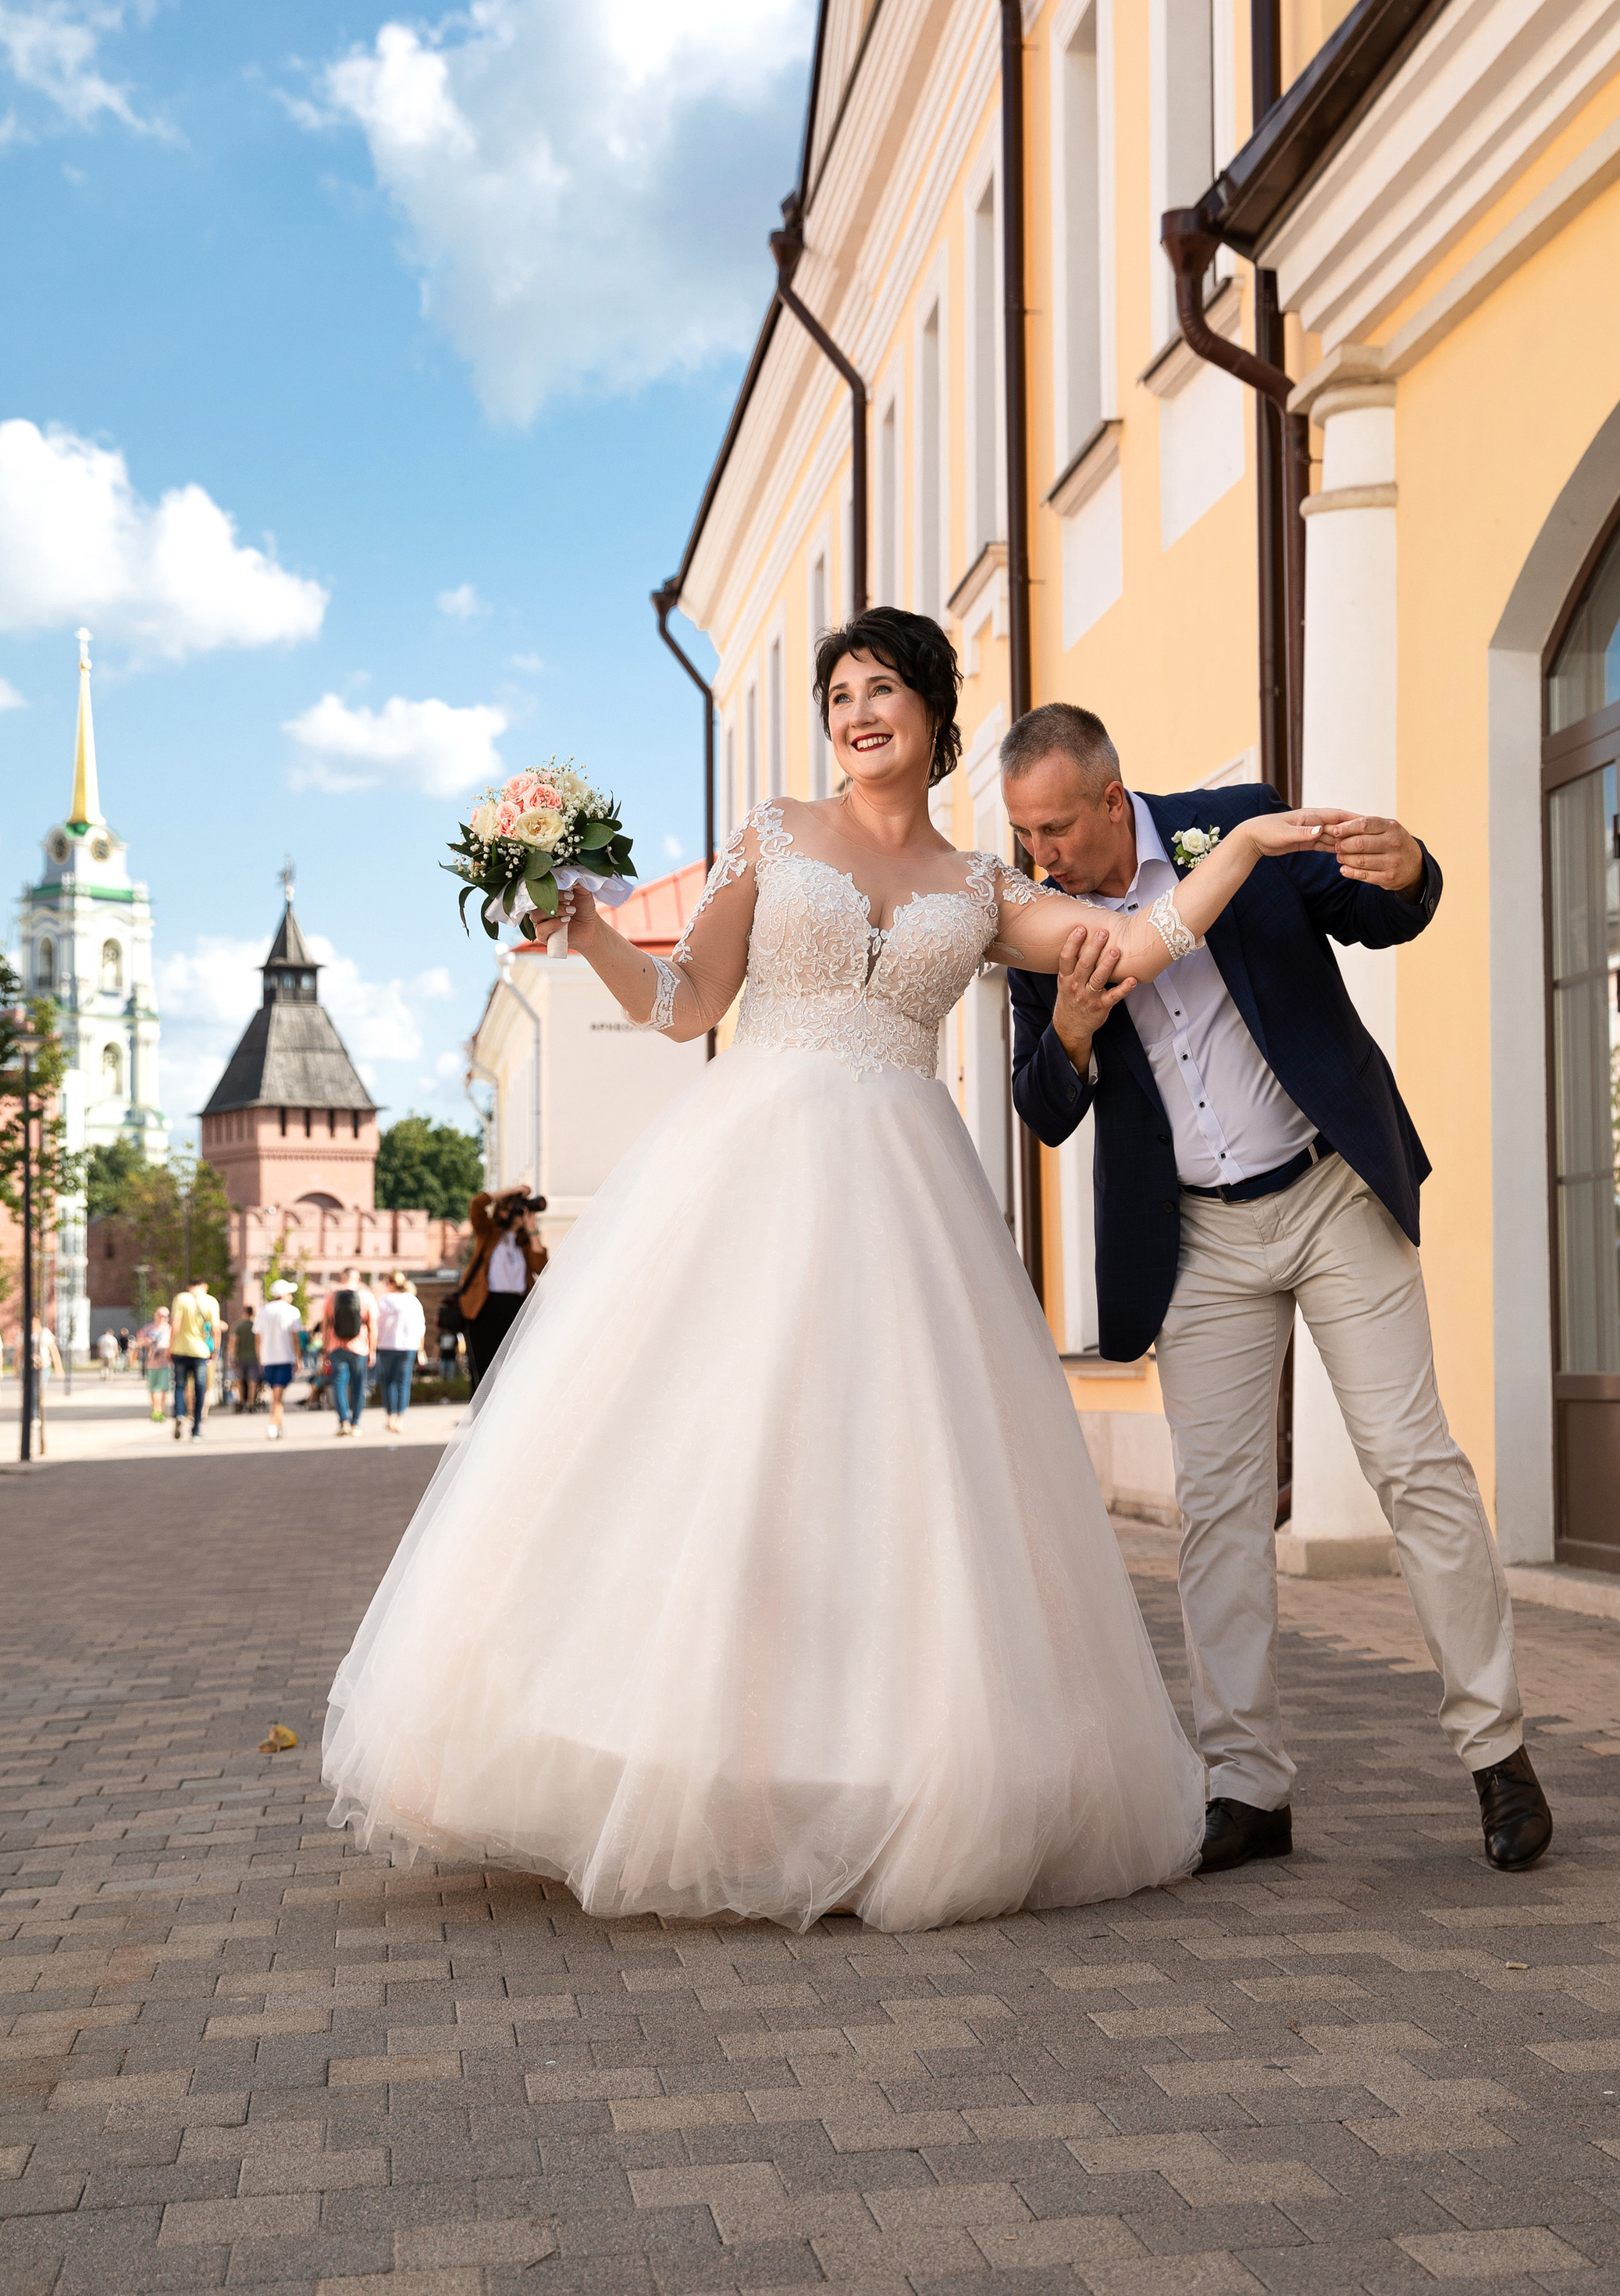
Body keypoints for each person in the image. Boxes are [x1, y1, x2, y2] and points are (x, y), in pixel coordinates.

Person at [323, 605, 1342, 1931]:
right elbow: (690, 1002)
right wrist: (590, 937)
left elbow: (1137, 948)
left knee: (887, 1479)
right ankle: (682, 1760)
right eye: (840, 694)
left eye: (883, 691)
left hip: (906, 1192)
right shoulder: (776, 832)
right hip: (748, 1162)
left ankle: (864, 1770)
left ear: (932, 714)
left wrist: (1252, 844)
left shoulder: (982, 886)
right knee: (713, 1456)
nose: (859, 713)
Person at [1001, 702, 1553, 1877]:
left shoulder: (1235, 830)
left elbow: (1371, 912)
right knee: (1219, 1513)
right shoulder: (1037, 923)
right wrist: (1076, 1033)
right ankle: (1245, 1786)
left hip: (1329, 1193)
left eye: (1053, 828)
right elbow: (1044, 1110)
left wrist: (1415, 870)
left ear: (1112, 800)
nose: (1037, 854)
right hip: (1196, 1240)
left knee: (1416, 1466)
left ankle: (1497, 1754)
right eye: (1022, 835)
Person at [457, 1190, 546, 1390]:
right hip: (484, 1308)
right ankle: (481, 1419)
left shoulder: (524, 1241)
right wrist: (514, 1191)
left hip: (517, 1309)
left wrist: (532, 1230)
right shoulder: (488, 1231)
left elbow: (541, 1266)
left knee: (515, 1369)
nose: (520, 1213)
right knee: (483, 1370)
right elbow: (477, 1204)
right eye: (516, 1208)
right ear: (503, 1211)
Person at [318, 1271, 377, 1435]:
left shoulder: (332, 1297)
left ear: (342, 1278)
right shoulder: (366, 1297)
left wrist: (324, 1350)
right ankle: (355, 1423)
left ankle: (344, 1421)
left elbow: (326, 1325)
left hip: (336, 1347)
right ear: (358, 1279)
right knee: (359, 1385)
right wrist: (372, 1351)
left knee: (339, 1384)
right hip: (360, 1347)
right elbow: (373, 1327)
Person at [167, 1271, 223, 1441]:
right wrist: (216, 1350)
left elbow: (175, 1324)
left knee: (180, 1386)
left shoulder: (181, 1298)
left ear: (190, 1287)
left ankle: (179, 1414)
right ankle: (196, 1428)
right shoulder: (211, 1301)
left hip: (180, 1350)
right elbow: (216, 1329)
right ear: (205, 1287)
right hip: (200, 1352)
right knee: (200, 1389)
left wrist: (170, 1347)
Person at [374, 1269, 425, 1435]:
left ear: (390, 1283)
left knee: (388, 1382)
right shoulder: (413, 1301)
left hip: (387, 1346)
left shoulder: (383, 1302)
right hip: (408, 1346)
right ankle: (400, 1419)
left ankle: (390, 1418)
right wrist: (421, 1348)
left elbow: (376, 1326)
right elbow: (420, 1327)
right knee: (403, 1382)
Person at [256, 1278, 303, 1438]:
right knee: (278, 1396)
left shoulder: (263, 1311)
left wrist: (260, 1358)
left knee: (276, 1394)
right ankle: (273, 1424)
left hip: (268, 1358)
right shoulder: (292, 1311)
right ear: (284, 1295)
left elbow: (258, 1337)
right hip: (284, 1357)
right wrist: (299, 1358)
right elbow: (295, 1338)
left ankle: (280, 1426)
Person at [141, 1307, 172, 1424]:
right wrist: (146, 1341)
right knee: (153, 1389)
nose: (162, 1318)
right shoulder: (148, 1329)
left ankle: (161, 1411)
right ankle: (156, 1409)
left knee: (164, 1389)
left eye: (165, 1315)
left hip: (166, 1363)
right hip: (152, 1363)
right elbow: (139, 1342)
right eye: (160, 1315)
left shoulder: (170, 1330)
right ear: (155, 1315)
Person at [230, 1303, 258, 1414]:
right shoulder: (256, 1325)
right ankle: (251, 1403)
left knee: (240, 1380)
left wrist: (232, 1356)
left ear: (245, 1313)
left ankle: (242, 1402)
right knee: (253, 1381)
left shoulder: (239, 1326)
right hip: (254, 1357)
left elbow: (234, 1342)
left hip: (240, 1357)